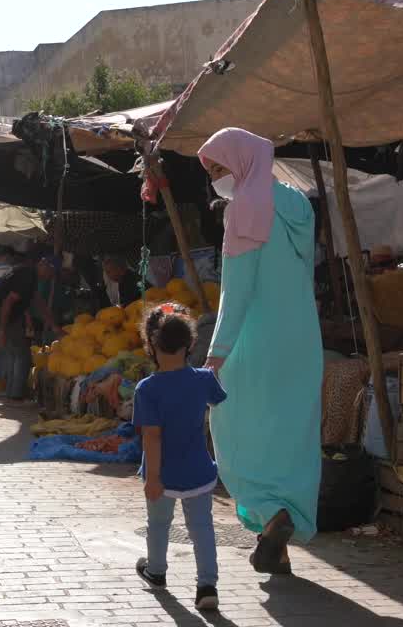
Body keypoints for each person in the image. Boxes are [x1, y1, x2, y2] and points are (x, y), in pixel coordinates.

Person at [199, 127, 322, 575]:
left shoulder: (244, 210)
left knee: (236, 429)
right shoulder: (296, 202)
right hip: (301, 339)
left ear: (243, 162)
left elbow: (237, 291)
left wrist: (216, 354)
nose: (218, 179)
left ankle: (271, 515)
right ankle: (278, 541)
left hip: (255, 340)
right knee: (290, 436)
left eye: (220, 168)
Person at [133, 304, 226, 612]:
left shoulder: (147, 389)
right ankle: (206, 586)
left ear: (151, 346)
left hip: (163, 474)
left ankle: (157, 572)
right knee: (202, 527)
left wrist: (154, 478)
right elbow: (219, 401)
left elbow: (152, 436)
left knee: (158, 524)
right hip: (199, 470)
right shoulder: (203, 380)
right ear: (190, 345)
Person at [0, 252, 61, 401]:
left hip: (8, 317)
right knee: (22, 355)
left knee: (14, 354)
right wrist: (2, 330)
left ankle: (11, 392)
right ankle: (15, 394)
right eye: (51, 273)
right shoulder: (28, 276)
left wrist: (54, 325)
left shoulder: (29, 273)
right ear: (44, 265)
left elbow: (37, 300)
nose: (49, 277)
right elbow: (8, 302)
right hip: (6, 317)